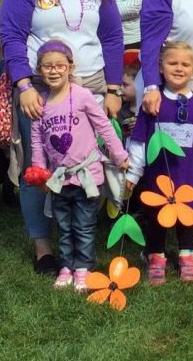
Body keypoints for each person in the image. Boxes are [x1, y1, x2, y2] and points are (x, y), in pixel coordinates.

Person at [0, 0, 124, 276]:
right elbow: (11, 37)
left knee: (89, 164)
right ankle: (44, 247)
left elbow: (112, 38)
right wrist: (22, 84)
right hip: (41, 90)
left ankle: (81, 241)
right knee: (38, 168)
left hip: (92, 86)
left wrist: (114, 88)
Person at [27, 40, 129, 292]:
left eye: (59, 65)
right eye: (47, 66)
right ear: (40, 70)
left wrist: (119, 155)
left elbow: (104, 127)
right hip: (59, 180)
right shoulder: (41, 104)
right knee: (63, 224)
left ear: (70, 67)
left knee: (83, 225)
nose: (54, 70)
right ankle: (66, 267)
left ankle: (83, 268)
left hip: (88, 177)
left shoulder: (82, 96)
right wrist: (39, 171)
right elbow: (37, 141)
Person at [125, 41, 193, 284]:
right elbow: (139, 141)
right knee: (156, 218)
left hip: (188, 177)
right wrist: (133, 174)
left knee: (187, 218)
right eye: (172, 63)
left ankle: (186, 258)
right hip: (157, 178)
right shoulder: (153, 102)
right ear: (161, 67)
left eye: (185, 64)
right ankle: (156, 258)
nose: (179, 68)